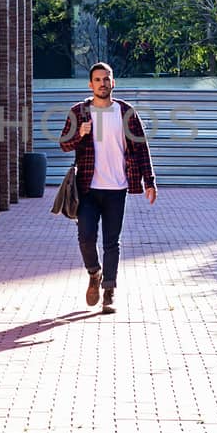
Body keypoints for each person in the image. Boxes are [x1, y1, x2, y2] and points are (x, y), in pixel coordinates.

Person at [59, 62, 158, 312]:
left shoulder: (126, 112)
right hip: (88, 188)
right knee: (85, 237)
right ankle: (94, 273)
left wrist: (150, 181)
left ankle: (109, 291)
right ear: (90, 84)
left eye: (107, 79)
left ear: (113, 82)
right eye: (98, 79)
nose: (103, 83)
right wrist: (79, 134)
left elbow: (141, 147)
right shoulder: (78, 112)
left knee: (111, 242)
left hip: (117, 188)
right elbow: (64, 144)